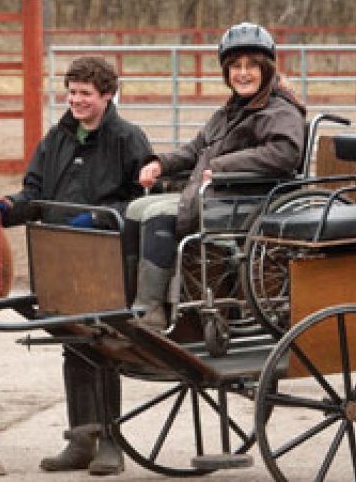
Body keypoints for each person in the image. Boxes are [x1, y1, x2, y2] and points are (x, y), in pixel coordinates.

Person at [0, 56, 153, 475]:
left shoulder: (127, 139)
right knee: (72, 342)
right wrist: (2, 210)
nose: (75, 100)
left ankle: (111, 445)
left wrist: (98, 217)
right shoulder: (56, 138)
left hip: (106, 256)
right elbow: (34, 193)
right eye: (71, 92)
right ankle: (81, 439)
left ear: (107, 95)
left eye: (85, 93)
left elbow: (144, 201)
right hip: (59, 255)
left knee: (101, 345)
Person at [129, 22, 306, 330]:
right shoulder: (230, 111)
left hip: (247, 198)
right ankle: (134, 297)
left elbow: (284, 153)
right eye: (235, 66)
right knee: (135, 209)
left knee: (157, 214)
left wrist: (225, 166)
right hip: (218, 191)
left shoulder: (280, 111)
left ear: (266, 68)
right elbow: (196, 148)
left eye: (252, 65)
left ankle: (151, 310)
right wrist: (160, 164)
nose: (243, 72)